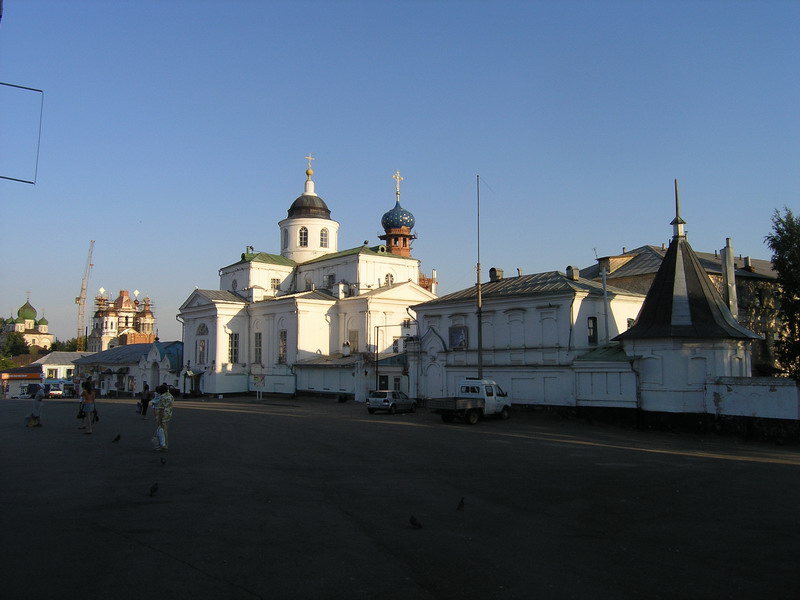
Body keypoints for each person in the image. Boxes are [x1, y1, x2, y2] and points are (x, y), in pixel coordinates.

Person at [154, 383, 174, 451]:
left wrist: (159, 418)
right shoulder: (170, 396)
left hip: (163, 415)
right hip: (169, 414)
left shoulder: (162, 397)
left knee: (162, 430)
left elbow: (161, 409)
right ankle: (163, 444)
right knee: (165, 429)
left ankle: (164, 445)